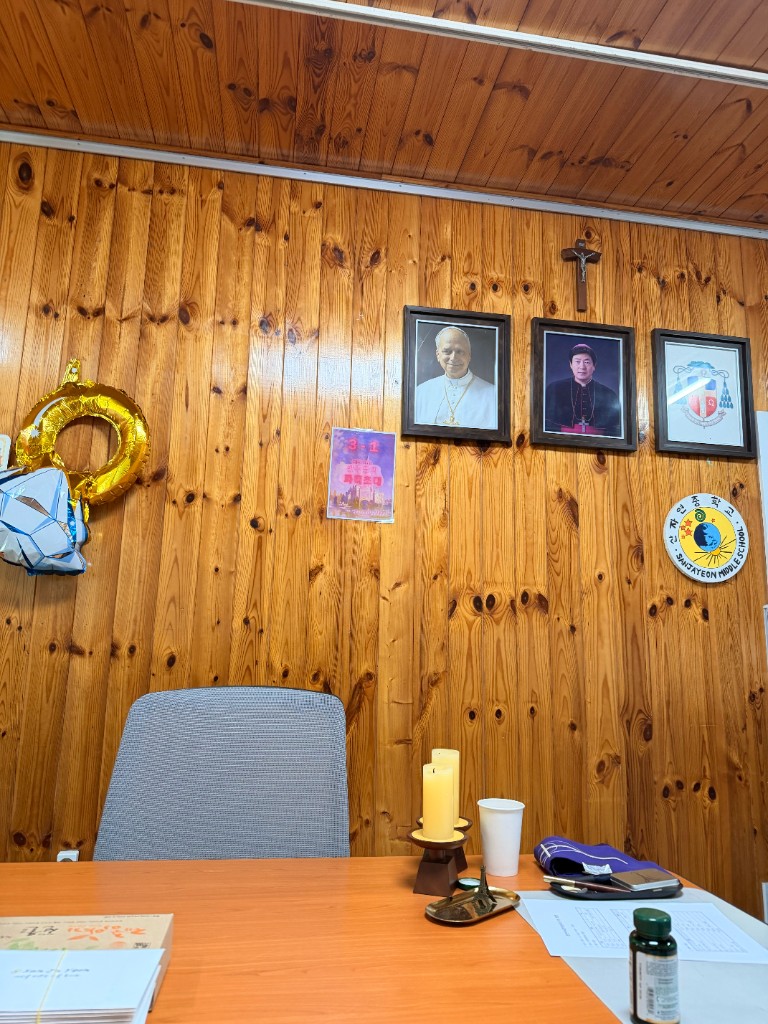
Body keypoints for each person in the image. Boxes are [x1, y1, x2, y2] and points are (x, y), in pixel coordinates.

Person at [414, 326, 497, 429]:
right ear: (438, 355)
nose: (453, 358)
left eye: (459, 351)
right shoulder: (421, 392)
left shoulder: (493, 395)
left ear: (469, 355)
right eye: (447, 351)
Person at [544, 343, 621, 437]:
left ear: (594, 366)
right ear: (571, 364)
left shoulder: (609, 394)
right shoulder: (554, 389)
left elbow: (615, 431)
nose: (582, 367)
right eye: (577, 361)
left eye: (587, 362)